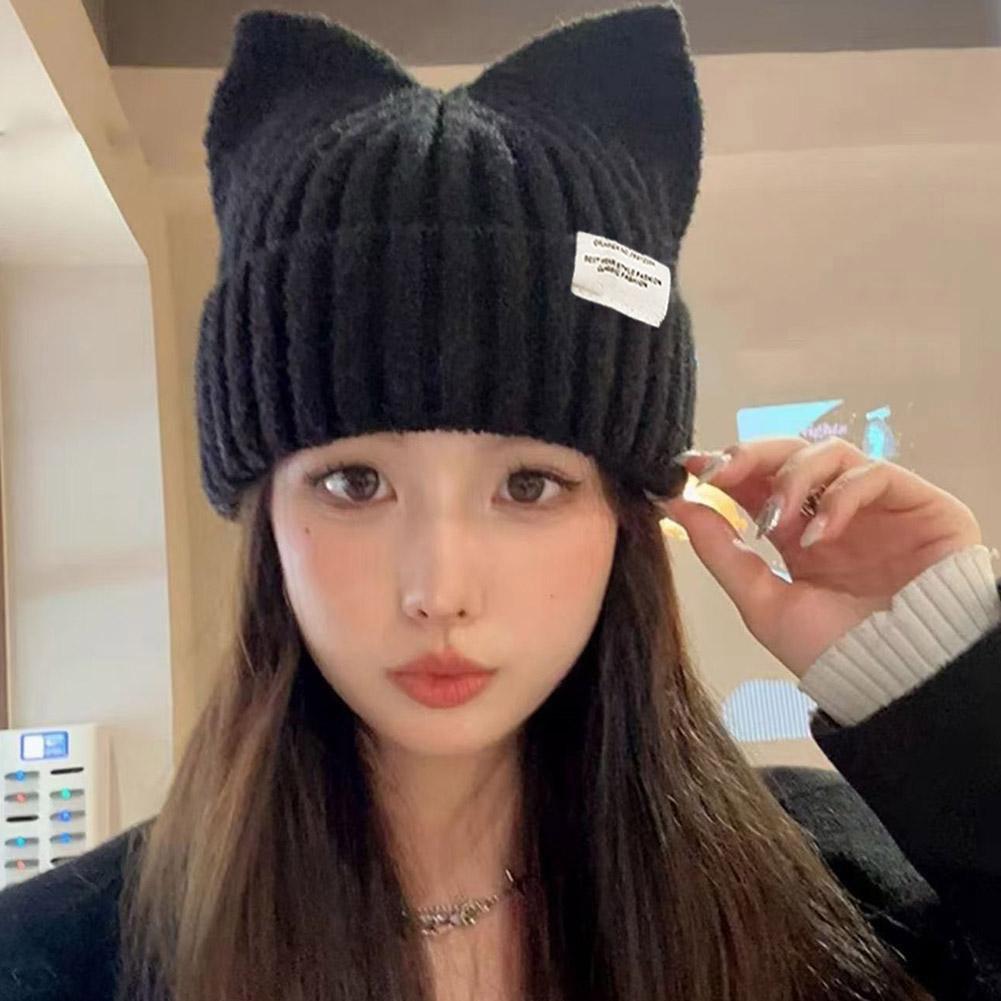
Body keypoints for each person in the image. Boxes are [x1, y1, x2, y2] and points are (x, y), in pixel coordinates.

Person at [1, 4, 999, 1000]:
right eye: (354, 482)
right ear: (266, 517)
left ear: (623, 515)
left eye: (528, 483)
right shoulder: (53, 958)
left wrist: (948, 680)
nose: (439, 588)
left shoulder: (838, 893)